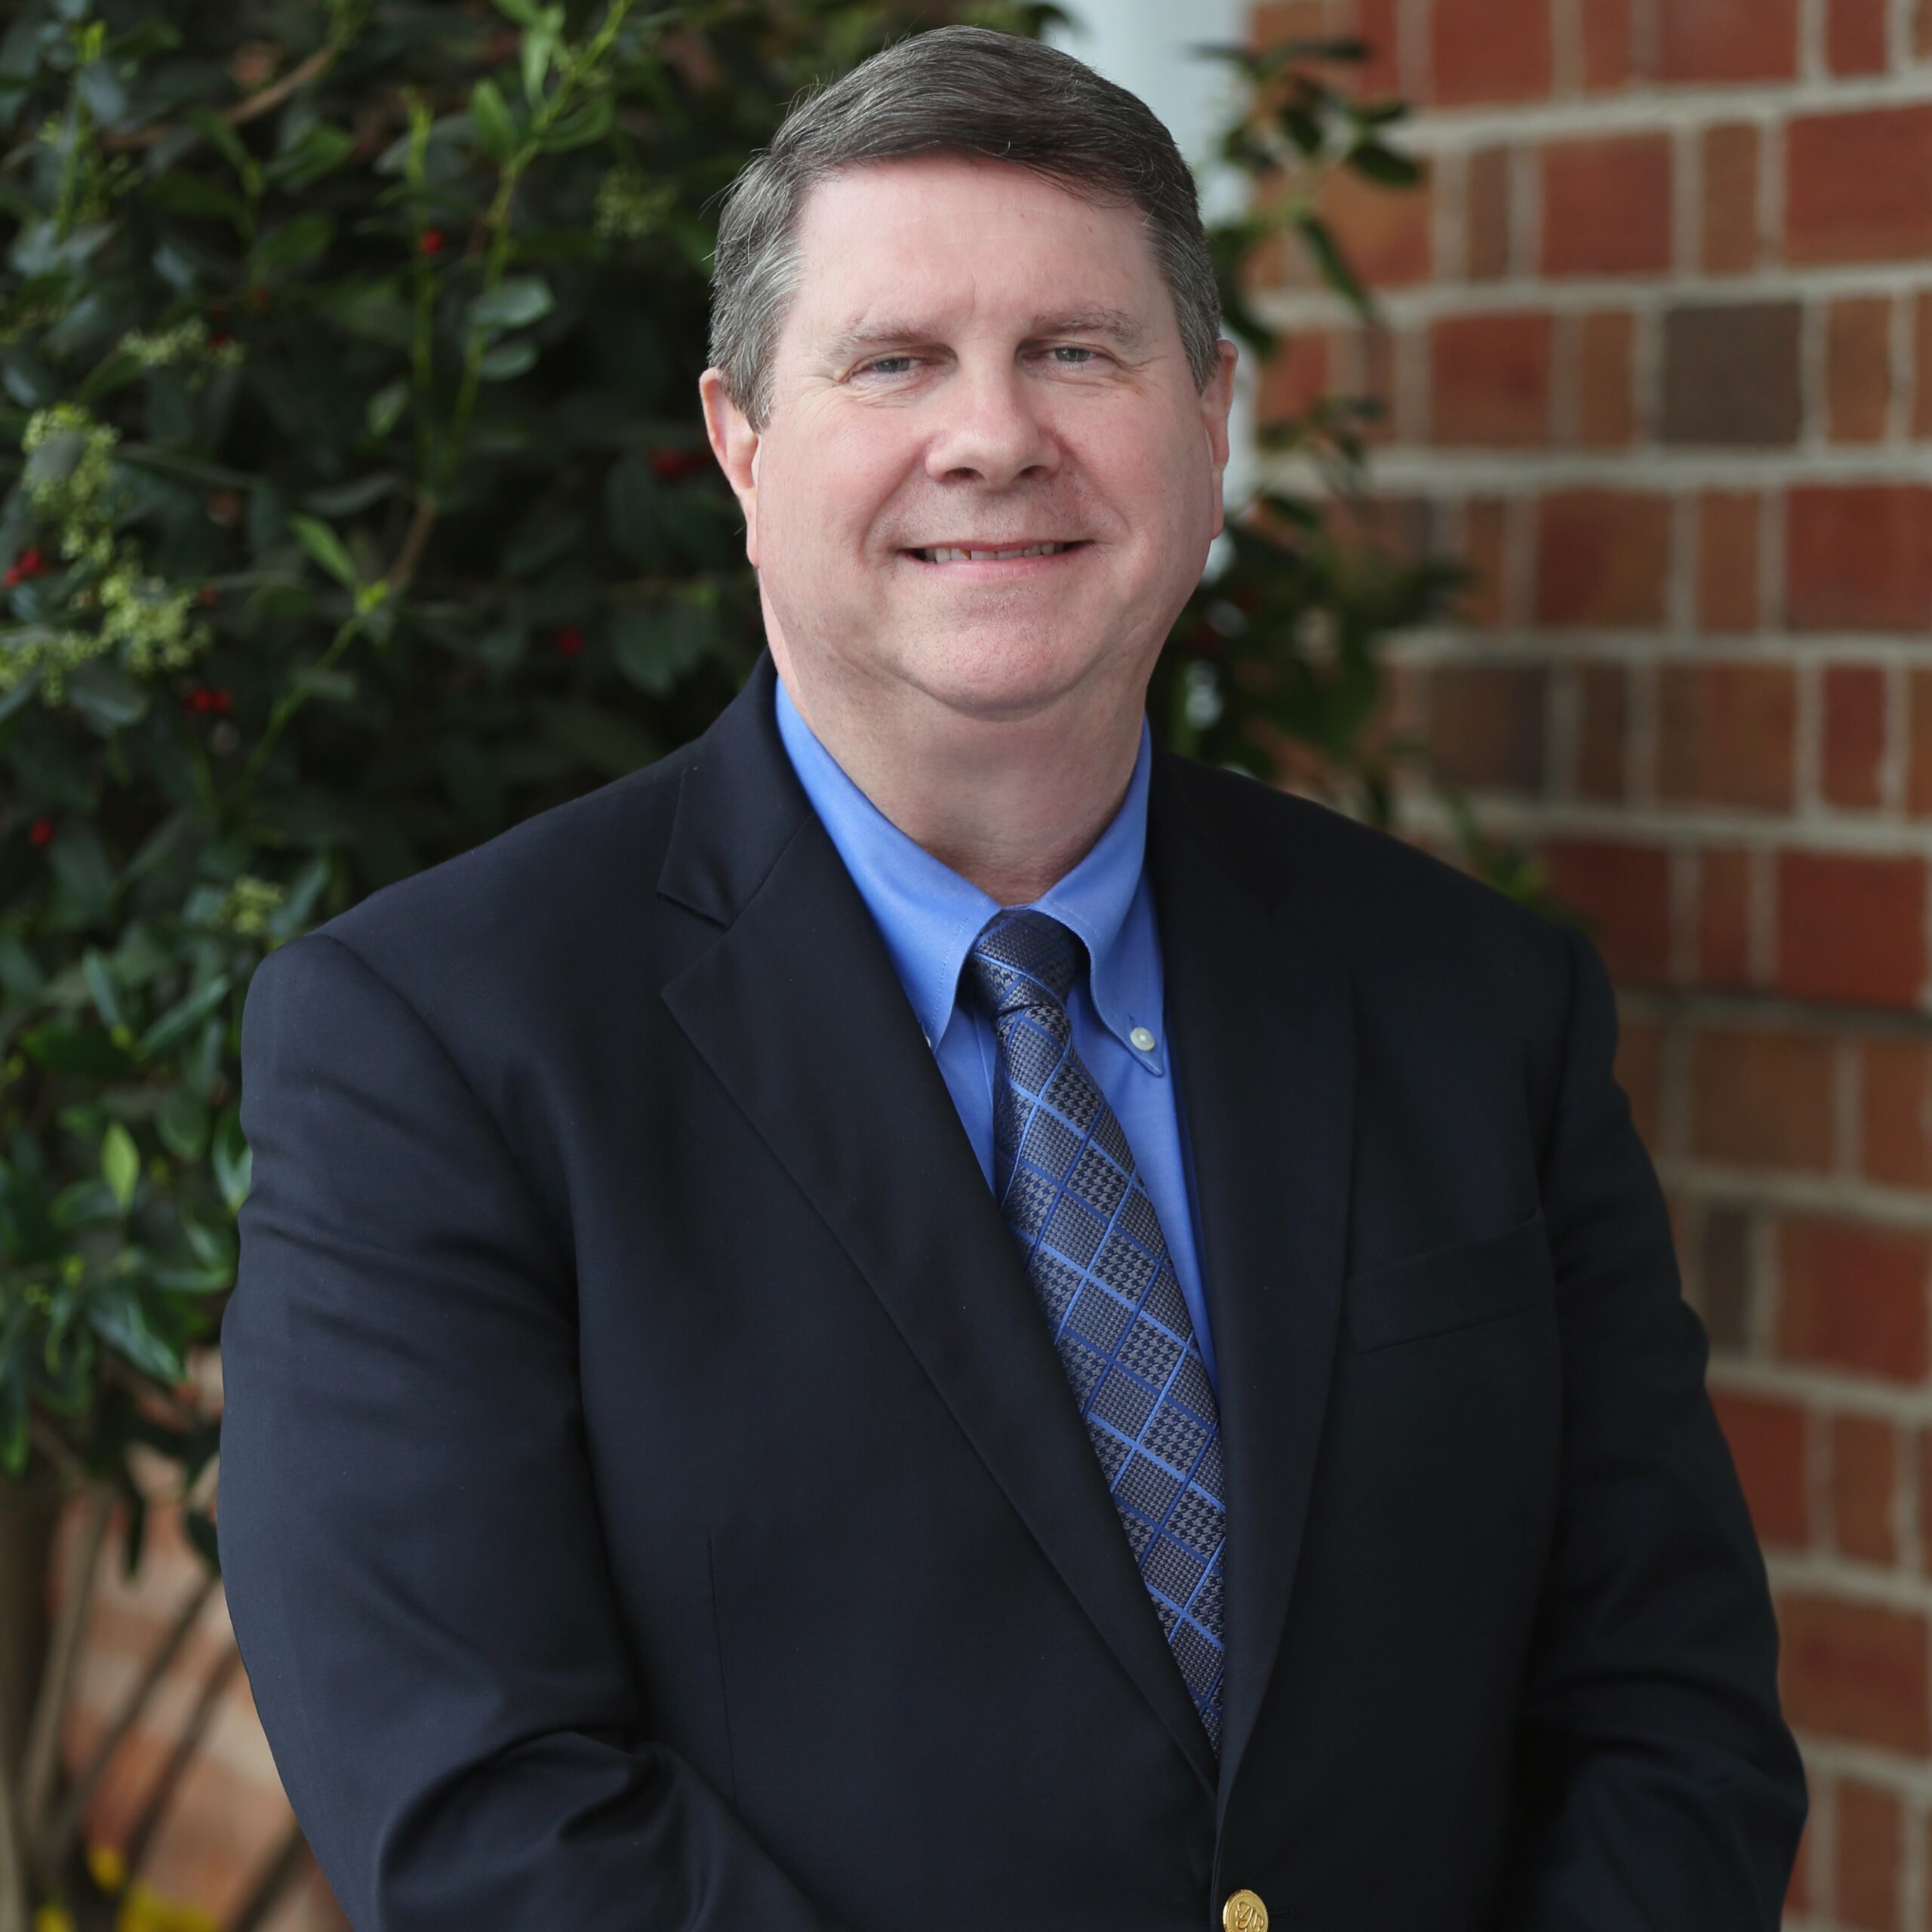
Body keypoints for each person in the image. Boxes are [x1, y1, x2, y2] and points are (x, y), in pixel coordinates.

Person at [216, 25, 1806, 1931]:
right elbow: (486, 1815)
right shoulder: (437, 1045)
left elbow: (1668, 1713)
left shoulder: (1475, 1002)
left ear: (1208, 415)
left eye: (1075, 349)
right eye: (893, 360)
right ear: (738, 443)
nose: (992, 433)